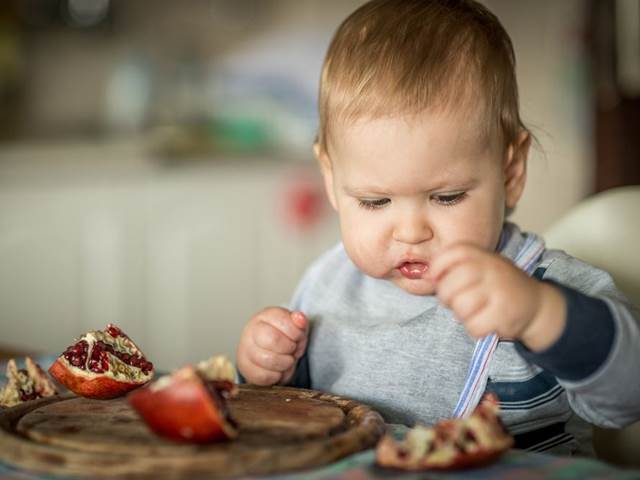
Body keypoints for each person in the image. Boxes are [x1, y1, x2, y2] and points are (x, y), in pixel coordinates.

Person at [236, 0, 640, 455]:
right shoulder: (328, 289)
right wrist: (267, 369)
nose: (410, 232)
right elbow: (289, 409)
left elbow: (630, 394)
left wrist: (542, 316)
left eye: (446, 197)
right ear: (331, 180)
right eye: (375, 201)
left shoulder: (545, 287)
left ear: (510, 173)